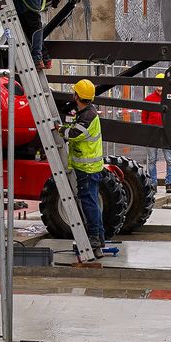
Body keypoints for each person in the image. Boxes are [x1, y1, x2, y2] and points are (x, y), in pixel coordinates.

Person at [63, 78, 108, 253]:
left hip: (87, 170)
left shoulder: (88, 116)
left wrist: (60, 129)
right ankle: (100, 238)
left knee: (89, 204)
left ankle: (94, 239)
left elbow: (74, 134)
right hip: (91, 168)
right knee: (93, 203)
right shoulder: (86, 113)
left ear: (77, 96)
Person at [143, 73, 171, 193]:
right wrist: (146, 129)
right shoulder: (149, 99)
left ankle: (169, 184)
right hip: (153, 132)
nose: (160, 88)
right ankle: (153, 184)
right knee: (152, 159)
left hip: (167, 133)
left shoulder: (170, 98)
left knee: (169, 159)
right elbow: (144, 115)